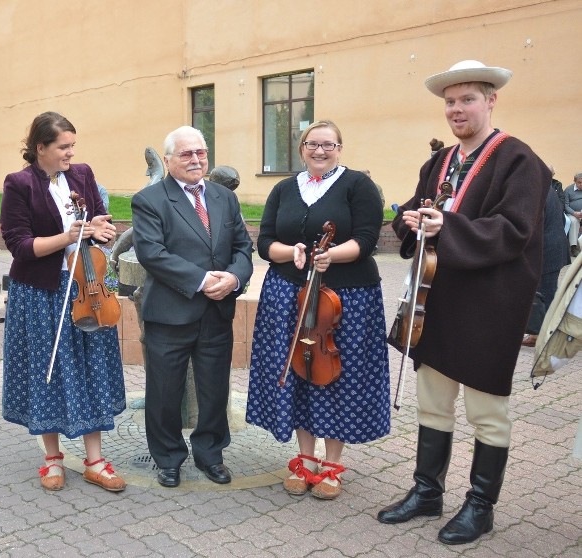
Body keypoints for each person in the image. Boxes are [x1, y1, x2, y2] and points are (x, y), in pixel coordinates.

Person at [377, 60, 549, 545]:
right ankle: (427, 491)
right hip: (437, 300)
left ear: (491, 100)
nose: (457, 109)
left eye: (467, 99)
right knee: (433, 404)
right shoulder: (439, 162)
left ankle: (480, 507)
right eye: (450, 102)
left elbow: (515, 232)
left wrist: (445, 228)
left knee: (486, 411)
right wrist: (410, 221)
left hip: (488, 307)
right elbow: (418, 211)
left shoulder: (519, 160)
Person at [245, 120, 390, 500]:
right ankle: (306, 460)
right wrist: (290, 252)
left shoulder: (358, 185)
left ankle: (332, 465)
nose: (319, 151)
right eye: (312, 144)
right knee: (298, 371)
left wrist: (330, 256)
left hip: (346, 298)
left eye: (328, 144)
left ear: (340, 147)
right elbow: (265, 242)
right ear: (302, 148)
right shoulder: (283, 188)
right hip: (287, 293)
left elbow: (367, 239)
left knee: (337, 373)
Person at [0, 111, 126, 492]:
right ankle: (52, 459)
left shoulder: (81, 175)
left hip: (86, 286)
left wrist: (101, 229)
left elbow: (95, 221)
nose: (71, 153)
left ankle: (96, 460)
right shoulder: (19, 184)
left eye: (73, 145)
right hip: (41, 291)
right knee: (47, 370)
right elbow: (19, 246)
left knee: (90, 369)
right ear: (40, 148)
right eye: (62, 147)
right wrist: (67, 237)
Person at [131, 125, 253, 488]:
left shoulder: (223, 198)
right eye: (186, 154)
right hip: (170, 314)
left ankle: (210, 455)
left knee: (214, 391)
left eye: (201, 152)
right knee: (165, 392)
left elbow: (243, 247)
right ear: (167, 161)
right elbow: (153, 253)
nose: (196, 159)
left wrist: (233, 279)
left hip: (217, 313)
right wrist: (204, 282)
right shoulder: (149, 199)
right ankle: (168, 458)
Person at [522, 183, 570, 346]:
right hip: (553, 245)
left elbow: (532, 226)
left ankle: (547, 337)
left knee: (546, 293)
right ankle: (540, 334)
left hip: (548, 249)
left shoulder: (537, 190)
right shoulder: (546, 188)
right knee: (545, 291)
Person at [563, 172, 582, 256]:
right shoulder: (568, 190)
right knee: (574, 222)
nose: (581, 184)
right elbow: (565, 205)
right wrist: (574, 213)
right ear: (574, 181)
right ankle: (574, 247)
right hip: (572, 214)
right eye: (579, 182)